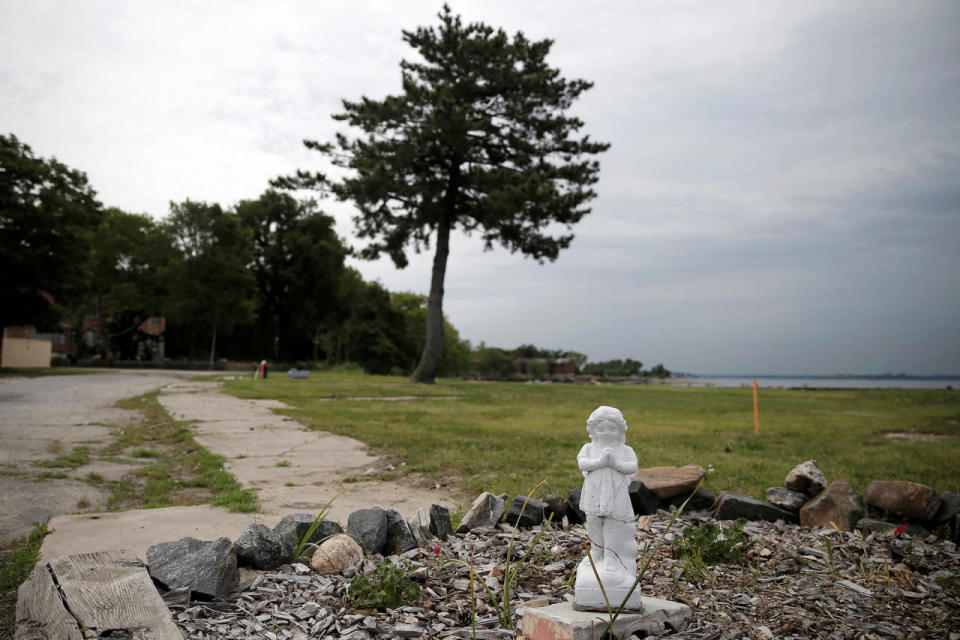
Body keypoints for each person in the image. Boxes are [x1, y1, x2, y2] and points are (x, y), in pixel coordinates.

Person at [577, 405, 638, 582]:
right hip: (594, 492)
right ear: (593, 430)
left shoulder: (626, 450)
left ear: (620, 430)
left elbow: (632, 467)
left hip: (616, 493)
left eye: (612, 428)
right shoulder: (588, 448)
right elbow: (583, 464)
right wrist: (601, 461)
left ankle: (611, 557)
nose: (606, 433)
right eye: (601, 428)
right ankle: (596, 552)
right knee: (594, 522)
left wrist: (616, 464)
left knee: (614, 523)